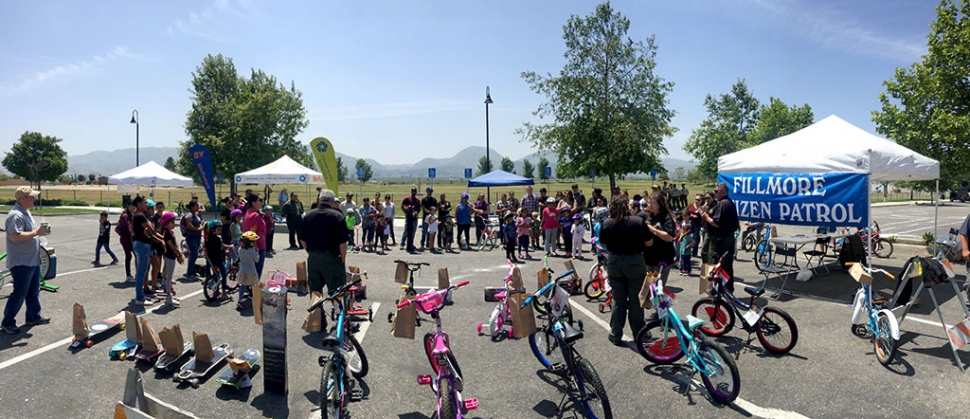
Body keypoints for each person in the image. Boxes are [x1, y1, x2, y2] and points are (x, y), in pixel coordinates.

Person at [598, 194, 654, 346]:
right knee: (636, 299)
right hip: (635, 261)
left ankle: (616, 333)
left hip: (615, 261)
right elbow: (649, 243)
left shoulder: (607, 223)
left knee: (618, 299)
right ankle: (639, 333)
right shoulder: (638, 222)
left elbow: (603, 244)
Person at [2, 186, 51, 334]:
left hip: (31, 260)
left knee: (33, 290)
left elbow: (29, 233)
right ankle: (7, 322)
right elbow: (15, 237)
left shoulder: (26, 212)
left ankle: (33, 316)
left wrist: (40, 233)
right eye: (32, 197)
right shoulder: (15, 215)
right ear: (22, 198)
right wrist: (36, 232)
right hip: (21, 262)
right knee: (19, 293)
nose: (34, 199)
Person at [300, 189, 348, 330]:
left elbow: (302, 240)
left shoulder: (308, 216)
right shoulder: (337, 216)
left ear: (319, 199)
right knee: (337, 291)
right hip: (331, 257)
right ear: (332, 202)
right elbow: (343, 243)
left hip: (314, 256)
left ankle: (317, 322)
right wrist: (342, 260)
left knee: (315, 291)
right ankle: (340, 323)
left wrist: (310, 252)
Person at [702, 183, 740, 292]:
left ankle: (716, 290)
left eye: (716, 191)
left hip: (720, 240)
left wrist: (707, 217)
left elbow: (716, 223)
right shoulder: (730, 203)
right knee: (727, 265)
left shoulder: (723, 204)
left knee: (716, 264)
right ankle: (728, 288)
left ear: (723, 192)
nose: (715, 193)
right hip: (728, 238)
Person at [643, 195, 677, 282]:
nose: (650, 205)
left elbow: (669, 237)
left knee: (657, 287)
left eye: (652, 203)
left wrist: (653, 230)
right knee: (648, 286)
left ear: (659, 205)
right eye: (649, 203)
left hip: (662, 258)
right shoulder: (649, 217)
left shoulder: (666, 218)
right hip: (649, 257)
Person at [129, 196, 155, 306]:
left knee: (142, 271)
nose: (147, 205)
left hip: (141, 244)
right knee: (141, 272)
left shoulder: (138, 215)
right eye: (145, 202)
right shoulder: (140, 216)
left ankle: (140, 295)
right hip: (142, 245)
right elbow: (152, 230)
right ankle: (139, 297)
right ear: (139, 204)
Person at [159, 212, 183, 307]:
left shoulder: (170, 231)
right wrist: (179, 254)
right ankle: (169, 297)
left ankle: (170, 294)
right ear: (166, 223)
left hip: (171, 256)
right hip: (169, 256)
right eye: (172, 222)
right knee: (169, 278)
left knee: (169, 277)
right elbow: (172, 246)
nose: (174, 223)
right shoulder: (167, 233)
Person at [241, 193, 268, 279]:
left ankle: (249, 288)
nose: (262, 202)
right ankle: (254, 291)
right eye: (260, 200)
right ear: (253, 202)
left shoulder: (247, 213)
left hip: (247, 245)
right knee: (256, 272)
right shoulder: (255, 215)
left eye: (262, 200)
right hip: (257, 246)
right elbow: (253, 231)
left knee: (250, 270)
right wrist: (255, 246)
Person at [204, 220, 232, 298]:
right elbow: (223, 246)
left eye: (221, 229)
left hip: (211, 260)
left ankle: (215, 290)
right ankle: (224, 293)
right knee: (223, 275)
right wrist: (231, 246)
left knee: (216, 274)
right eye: (218, 229)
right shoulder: (217, 238)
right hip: (218, 259)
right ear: (213, 230)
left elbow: (204, 247)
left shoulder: (207, 239)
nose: (220, 231)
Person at [236, 231, 260, 310]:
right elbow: (257, 260)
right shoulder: (252, 251)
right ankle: (255, 298)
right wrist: (257, 252)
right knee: (254, 285)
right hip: (251, 272)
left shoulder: (240, 249)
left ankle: (239, 300)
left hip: (243, 271)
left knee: (243, 286)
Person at [183, 201, 204, 278]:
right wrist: (198, 229)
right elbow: (189, 225)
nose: (198, 207)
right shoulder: (189, 214)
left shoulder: (196, 214)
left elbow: (199, 223)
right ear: (192, 207)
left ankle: (193, 270)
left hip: (197, 237)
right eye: (196, 206)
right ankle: (189, 272)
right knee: (193, 254)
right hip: (191, 237)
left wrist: (201, 224)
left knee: (195, 255)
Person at [117, 202, 134, 282]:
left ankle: (132, 274)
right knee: (128, 255)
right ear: (128, 205)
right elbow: (128, 229)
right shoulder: (125, 216)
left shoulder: (131, 214)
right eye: (132, 206)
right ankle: (128, 275)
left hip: (129, 238)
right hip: (125, 238)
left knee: (134, 255)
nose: (133, 207)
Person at [402, 188, 420, 252]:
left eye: (415, 191)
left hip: (414, 218)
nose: (414, 192)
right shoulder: (407, 199)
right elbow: (402, 206)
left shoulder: (417, 200)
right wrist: (406, 212)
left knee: (413, 231)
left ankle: (411, 244)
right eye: (413, 191)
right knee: (407, 231)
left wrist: (416, 213)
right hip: (408, 217)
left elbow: (418, 208)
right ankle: (403, 243)